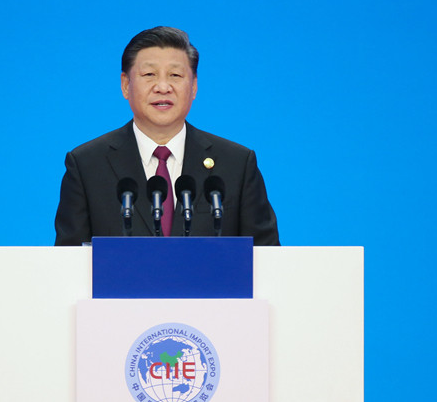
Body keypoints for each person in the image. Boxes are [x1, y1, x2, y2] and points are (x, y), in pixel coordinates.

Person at [54, 26, 280, 246]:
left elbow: (269, 257)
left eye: (175, 75)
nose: (163, 87)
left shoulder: (236, 164)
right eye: (149, 74)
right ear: (125, 85)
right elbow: (67, 260)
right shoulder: (87, 164)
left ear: (194, 86)